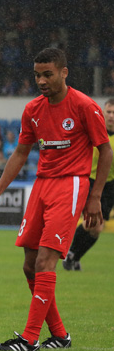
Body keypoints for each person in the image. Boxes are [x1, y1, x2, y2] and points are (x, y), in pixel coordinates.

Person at [0, 48, 112, 351]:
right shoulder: (33, 110)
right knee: (29, 265)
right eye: (37, 75)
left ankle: (28, 339)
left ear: (63, 73)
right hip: (41, 185)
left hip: (71, 185)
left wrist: (95, 197)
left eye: (47, 74)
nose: (41, 80)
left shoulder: (84, 106)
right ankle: (60, 335)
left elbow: (105, 151)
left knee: (45, 261)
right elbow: (21, 152)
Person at [63, 98, 114, 271]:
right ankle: (70, 255)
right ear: (103, 112)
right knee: (91, 223)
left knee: (97, 228)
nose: (111, 116)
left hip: (109, 186)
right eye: (109, 112)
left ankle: (73, 257)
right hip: (89, 180)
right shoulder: (94, 130)